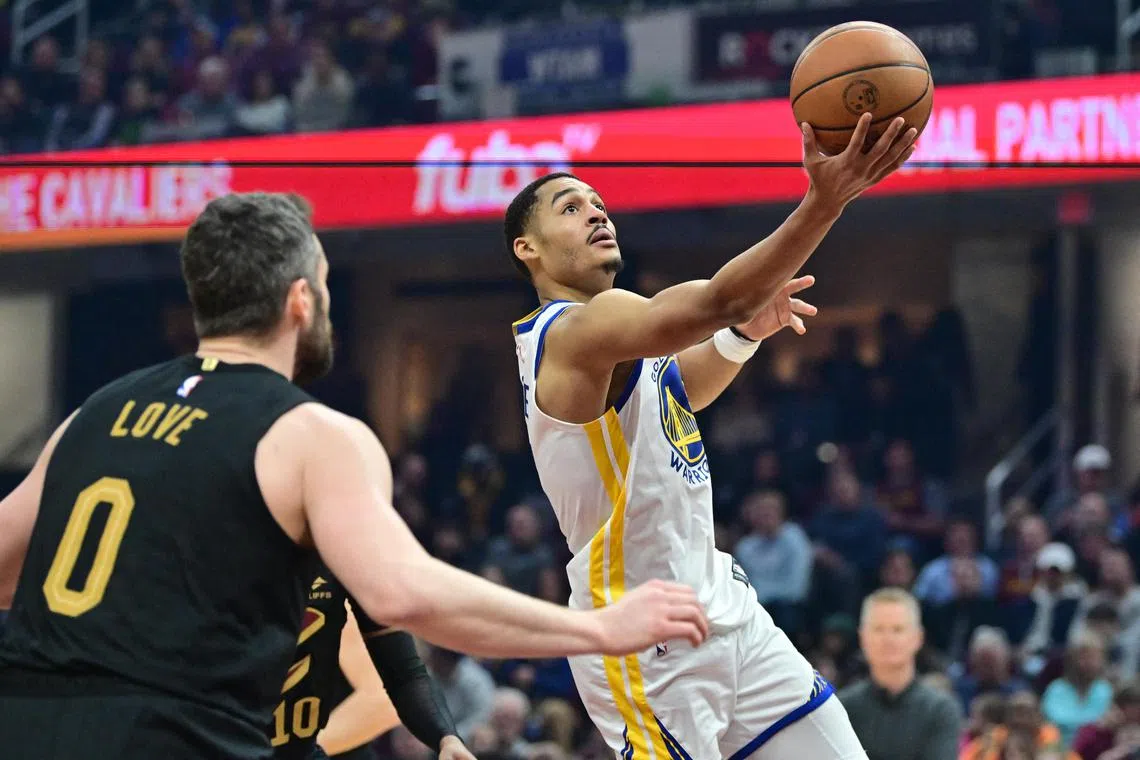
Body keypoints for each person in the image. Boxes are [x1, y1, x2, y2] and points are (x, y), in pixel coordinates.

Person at [0, 191, 710, 760]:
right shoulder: (312, 434)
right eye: (328, 285)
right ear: (301, 300)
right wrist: (597, 627)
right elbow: (403, 593)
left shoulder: (93, 414)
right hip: (174, 736)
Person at [507, 112, 917, 759]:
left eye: (599, 203)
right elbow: (715, 301)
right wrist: (824, 201)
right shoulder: (570, 332)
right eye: (569, 206)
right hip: (646, 644)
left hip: (727, 614)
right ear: (527, 249)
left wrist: (745, 335)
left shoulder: (617, 337)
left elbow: (675, 393)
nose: (595, 213)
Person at [271, 565, 473, 760]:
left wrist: (447, 739)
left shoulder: (346, 552)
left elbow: (404, 674)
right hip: (245, 745)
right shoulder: (244, 551)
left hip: (302, 748)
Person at [838, 588, 962, 760]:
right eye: (878, 629)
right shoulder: (843, 709)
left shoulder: (940, 711)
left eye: (897, 629)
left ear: (918, 638)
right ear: (862, 637)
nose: (888, 639)